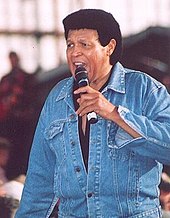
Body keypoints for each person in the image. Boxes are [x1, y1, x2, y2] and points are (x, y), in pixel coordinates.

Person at [15, 9, 170, 218]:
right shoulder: (56, 99)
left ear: (109, 47)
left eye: (84, 44)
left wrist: (115, 113)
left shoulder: (145, 90)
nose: (75, 52)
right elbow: (39, 179)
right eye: (70, 44)